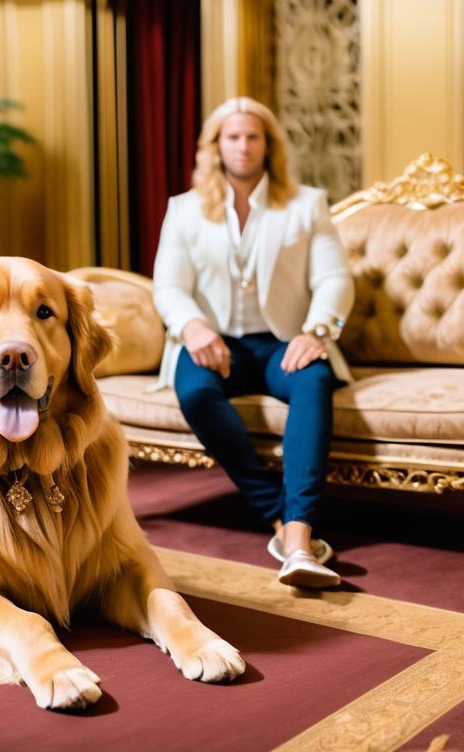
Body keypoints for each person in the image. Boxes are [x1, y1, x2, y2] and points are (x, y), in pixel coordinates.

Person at [152, 97, 355, 588]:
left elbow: (335, 278)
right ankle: (281, 521)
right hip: (213, 345)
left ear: (268, 146)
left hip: (282, 343)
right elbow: (169, 287)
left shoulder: (306, 204)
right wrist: (193, 327)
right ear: (216, 147)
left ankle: (301, 541)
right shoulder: (183, 210)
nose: (243, 145)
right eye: (232, 136)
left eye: (253, 136)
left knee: (314, 383)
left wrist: (317, 330)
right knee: (196, 393)